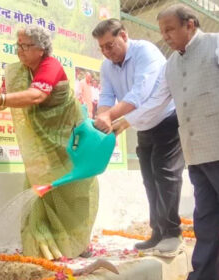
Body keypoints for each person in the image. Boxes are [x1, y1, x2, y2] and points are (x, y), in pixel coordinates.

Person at [0, 25, 99, 260]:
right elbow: (4, 100)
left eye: (25, 46)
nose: (19, 50)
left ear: (41, 49)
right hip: (42, 150)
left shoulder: (51, 66)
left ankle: (79, 244)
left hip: (68, 143)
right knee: (42, 194)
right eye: (18, 45)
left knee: (73, 193)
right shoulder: (18, 73)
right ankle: (50, 251)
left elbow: (37, 95)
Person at [127, 5, 219, 279]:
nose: (165, 36)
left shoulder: (215, 46)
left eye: (170, 29)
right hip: (197, 155)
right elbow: (156, 102)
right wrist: (122, 122)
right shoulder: (172, 65)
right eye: (162, 31)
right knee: (206, 221)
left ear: (190, 25)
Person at [91, 19, 185, 256]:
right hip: (142, 125)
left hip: (166, 119)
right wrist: (102, 116)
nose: (106, 52)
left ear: (124, 35)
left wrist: (111, 116)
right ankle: (157, 232)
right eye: (101, 48)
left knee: (166, 176)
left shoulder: (146, 52)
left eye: (110, 45)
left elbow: (139, 94)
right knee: (150, 179)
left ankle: (173, 234)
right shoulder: (107, 66)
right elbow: (106, 95)